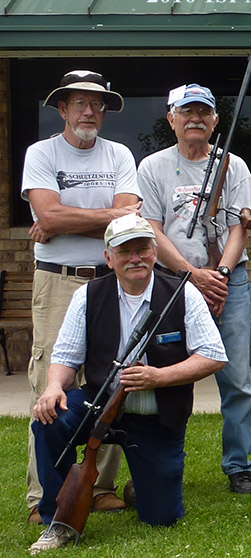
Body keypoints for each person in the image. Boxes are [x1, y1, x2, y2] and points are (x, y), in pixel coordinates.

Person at [29, 215, 226, 553]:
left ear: (154, 252)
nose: (135, 258)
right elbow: (65, 356)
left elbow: (213, 355)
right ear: (109, 258)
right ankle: (56, 521)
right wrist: (53, 387)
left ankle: (142, 486)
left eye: (142, 249)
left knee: (162, 516)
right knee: (51, 420)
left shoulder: (184, 294)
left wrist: (159, 377)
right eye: (124, 251)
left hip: (158, 414)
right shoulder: (87, 296)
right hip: (99, 402)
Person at [21, 70, 141, 523]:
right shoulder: (41, 152)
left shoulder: (121, 154)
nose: (90, 111)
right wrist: (105, 215)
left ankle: (99, 487)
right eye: (80, 103)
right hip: (57, 278)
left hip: (108, 281)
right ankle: (44, 499)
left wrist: (62, 219)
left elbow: (128, 220)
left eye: (98, 104)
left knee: (109, 380)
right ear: (62, 108)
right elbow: (46, 215)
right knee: (50, 383)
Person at [137, 83, 251, 495]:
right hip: (173, 283)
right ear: (171, 119)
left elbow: (240, 227)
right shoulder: (152, 167)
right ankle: (163, 462)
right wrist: (193, 274)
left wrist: (220, 275)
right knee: (171, 375)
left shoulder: (233, 165)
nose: (195, 119)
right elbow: (151, 229)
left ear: (215, 120)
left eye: (203, 112)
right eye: (186, 111)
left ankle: (239, 465)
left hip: (230, 282)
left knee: (236, 379)